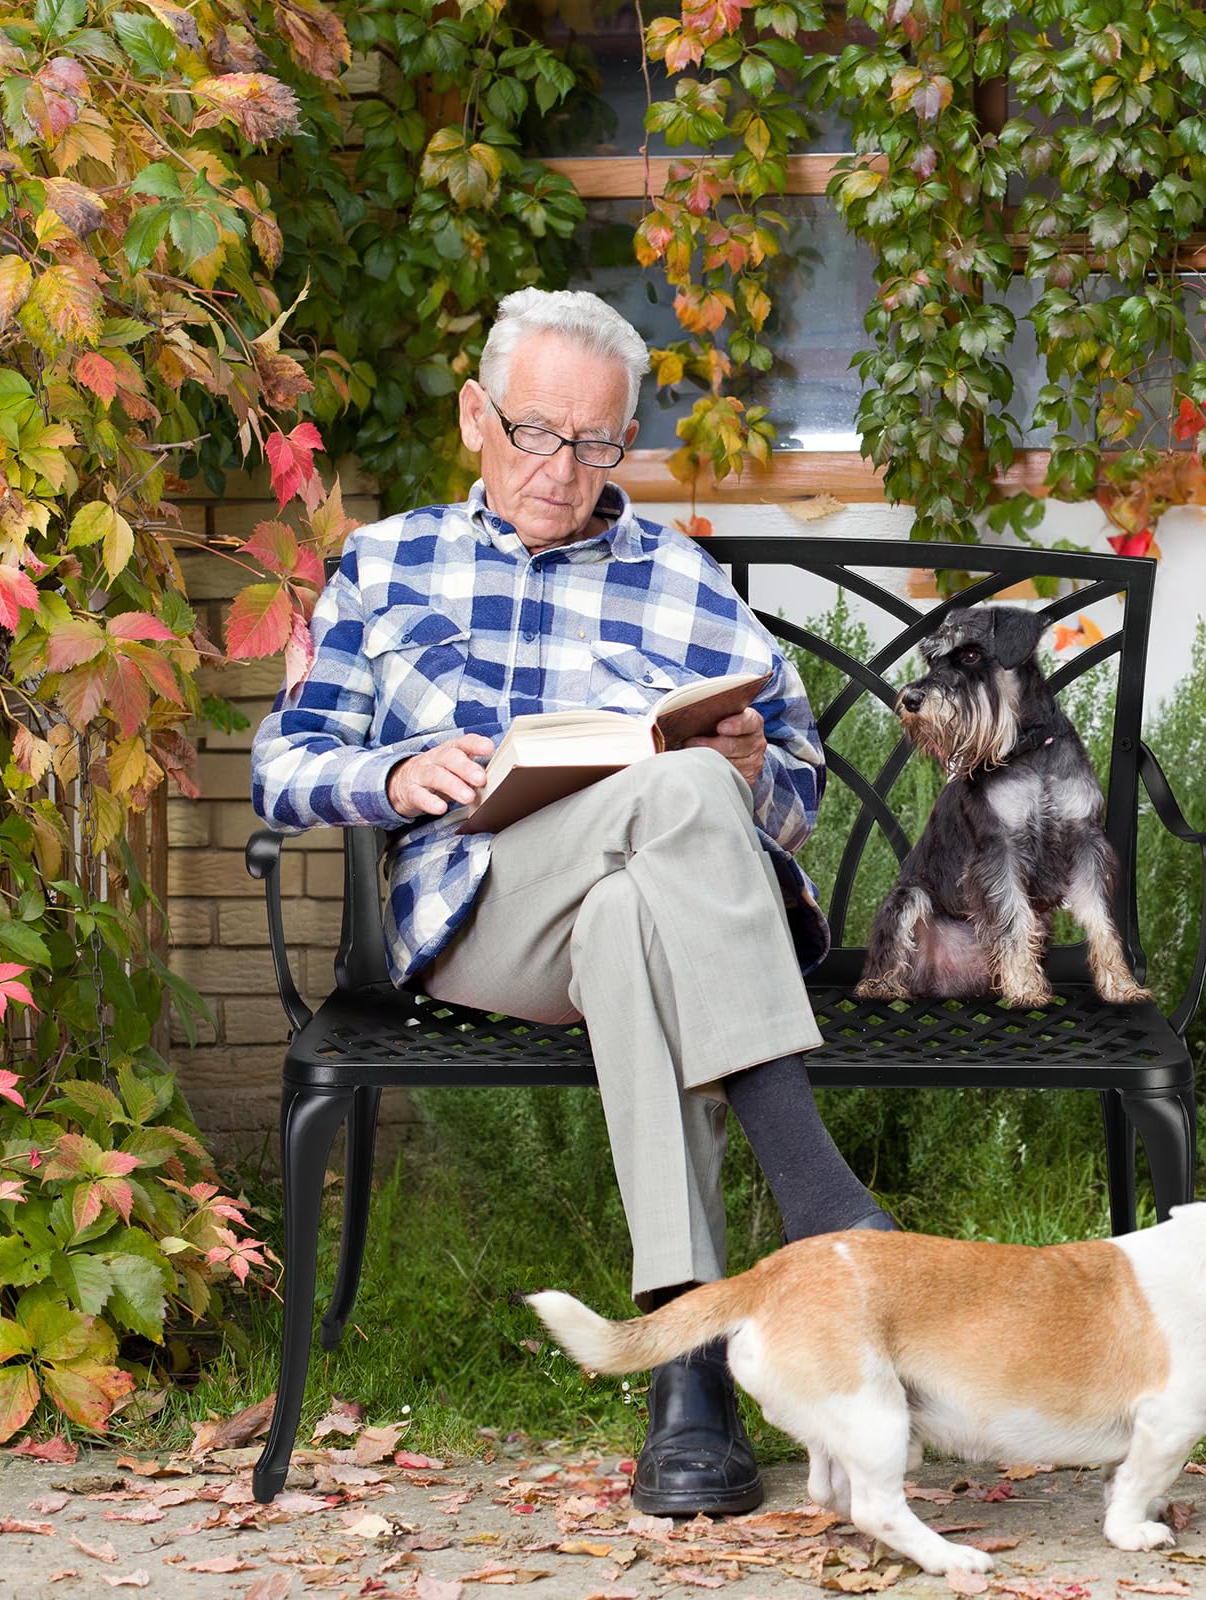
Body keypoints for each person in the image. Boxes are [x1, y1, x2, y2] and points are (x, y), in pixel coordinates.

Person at [250, 288, 894, 1517]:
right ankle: (819, 1199)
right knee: (684, 792)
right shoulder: (383, 566)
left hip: (635, 919)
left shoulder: (681, 576)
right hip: (473, 911)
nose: (566, 470)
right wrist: (391, 772)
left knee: (647, 893)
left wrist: (756, 777)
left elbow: (799, 785)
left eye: (599, 444)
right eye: (541, 434)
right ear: (475, 417)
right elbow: (282, 769)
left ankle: (687, 1372)